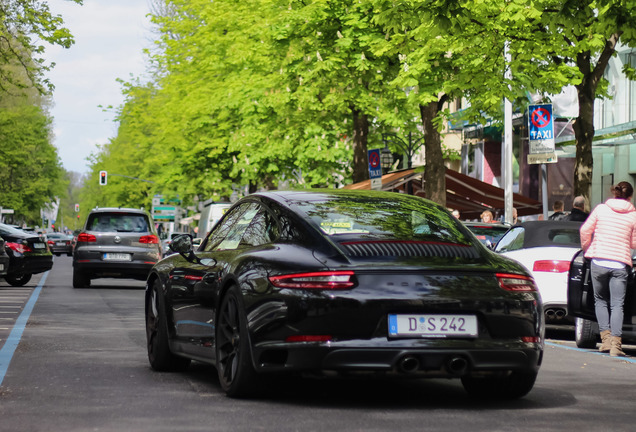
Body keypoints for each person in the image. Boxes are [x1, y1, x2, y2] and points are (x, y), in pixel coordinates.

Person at [580, 181, 636, 356]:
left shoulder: (600, 209)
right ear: (630, 197)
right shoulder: (633, 215)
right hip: (620, 263)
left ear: (614, 193)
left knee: (600, 300)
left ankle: (605, 341)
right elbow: (634, 242)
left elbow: (584, 230)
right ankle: (616, 346)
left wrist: (587, 248)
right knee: (617, 304)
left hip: (599, 261)